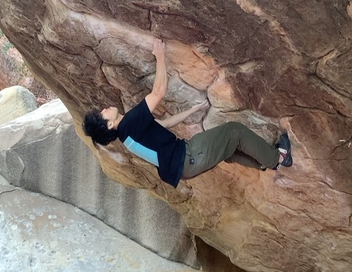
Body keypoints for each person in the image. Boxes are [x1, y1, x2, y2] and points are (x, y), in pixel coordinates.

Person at [83, 37, 292, 188]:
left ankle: (261, 162)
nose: (105, 109)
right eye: (102, 114)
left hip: (185, 168)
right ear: (109, 124)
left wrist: (191, 110)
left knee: (226, 151)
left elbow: (165, 125)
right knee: (234, 132)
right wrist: (161, 56)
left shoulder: (128, 137)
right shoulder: (129, 123)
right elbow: (158, 92)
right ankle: (277, 158)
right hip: (189, 157)